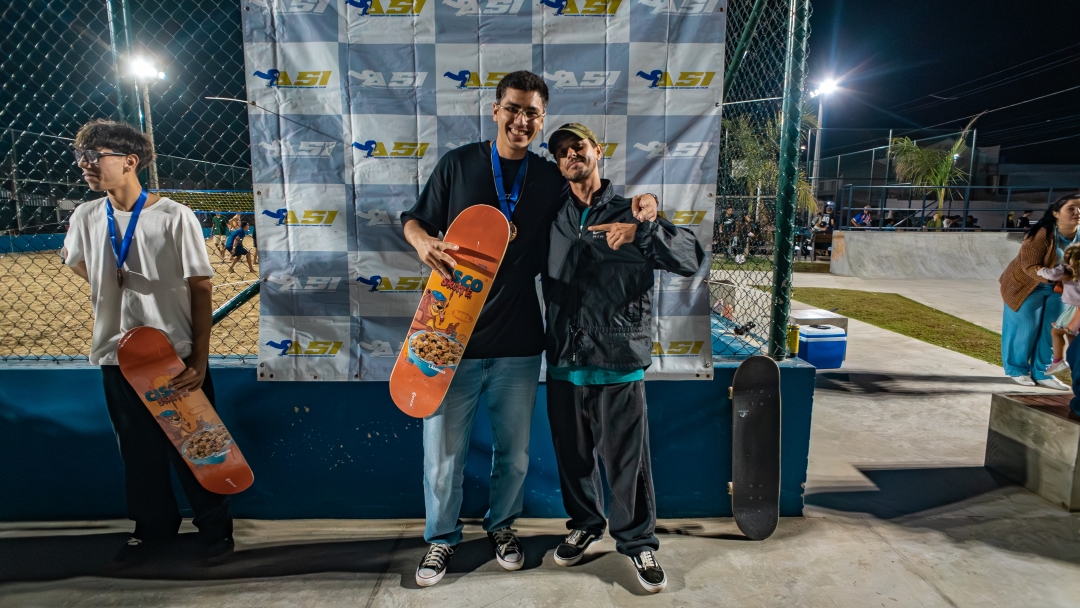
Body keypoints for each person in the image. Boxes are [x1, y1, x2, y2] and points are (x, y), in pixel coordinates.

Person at [400, 71, 657, 587]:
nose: (522, 120)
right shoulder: (459, 164)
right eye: (513, 108)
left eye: (532, 113)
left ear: (541, 120)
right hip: (451, 342)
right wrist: (421, 243)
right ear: (496, 110)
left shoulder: (547, 178)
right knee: (442, 457)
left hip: (520, 344)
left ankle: (502, 528)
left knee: (513, 455)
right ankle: (440, 540)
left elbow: (593, 199)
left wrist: (646, 206)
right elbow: (415, 219)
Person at [542, 123, 704, 593]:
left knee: (626, 463)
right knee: (573, 459)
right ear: (558, 165)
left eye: (579, 146)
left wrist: (646, 230)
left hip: (617, 360)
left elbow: (691, 257)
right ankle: (585, 524)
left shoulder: (630, 210)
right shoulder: (550, 216)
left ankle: (637, 542)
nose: (572, 155)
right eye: (562, 152)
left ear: (597, 152)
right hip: (563, 360)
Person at [62, 119, 233, 563]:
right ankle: (152, 531)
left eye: (94, 156)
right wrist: (112, 289)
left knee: (197, 446)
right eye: (81, 156)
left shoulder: (175, 216)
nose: (85, 165)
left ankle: (216, 531)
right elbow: (79, 263)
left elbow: (201, 287)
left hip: (172, 357)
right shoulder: (84, 216)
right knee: (137, 453)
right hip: (116, 355)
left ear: (129, 161)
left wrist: (200, 357)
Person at [999, 193, 1080, 389]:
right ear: (1055, 213)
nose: (1077, 212)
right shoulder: (1042, 233)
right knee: (1024, 328)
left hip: (1060, 289)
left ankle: (1043, 372)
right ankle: (1016, 369)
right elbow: (1029, 265)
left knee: (1052, 330)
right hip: (1026, 286)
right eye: (1071, 208)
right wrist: (1051, 275)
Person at [1038, 243, 1080, 375]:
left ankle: (1058, 361)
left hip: (1075, 308)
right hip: (1076, 307)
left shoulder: (1067, 269)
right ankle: (1075, 363)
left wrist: (1039, 270)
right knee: (1071, 336)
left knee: (1057, 332)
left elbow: (1051, 275)